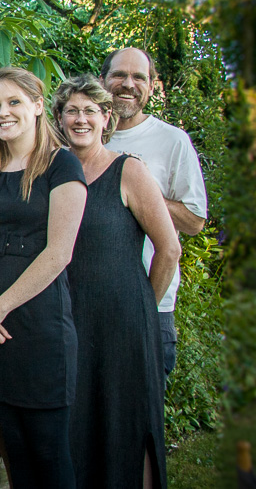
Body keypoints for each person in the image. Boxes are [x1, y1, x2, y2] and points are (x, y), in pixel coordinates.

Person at [53, 75, 180, 489]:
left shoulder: (130, 171)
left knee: (128, 422)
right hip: (70, 320)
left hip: (124, 323)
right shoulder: (53, 172)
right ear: (59, 118)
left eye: (90, 110)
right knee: (77, 426)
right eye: (72, 110)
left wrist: (143, 304)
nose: (80, 118)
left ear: (107, 118)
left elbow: (170, 248)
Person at [0, 67, 87, 489]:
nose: (2, 112)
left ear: (37, 106)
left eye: (14, 102)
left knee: (49, 455)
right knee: (14, 448)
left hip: (39, 330)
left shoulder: (62, 166)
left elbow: (59, 253)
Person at [100, 47, 208, 388]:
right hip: (89, 302)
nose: (128, 84)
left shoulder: (172, 141)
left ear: (152, 86)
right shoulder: (84, 133)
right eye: (119, 75)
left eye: (138, 77)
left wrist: (140, 194)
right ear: (103, 80)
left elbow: (193, 221)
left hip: (151, 301)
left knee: (141, 418)